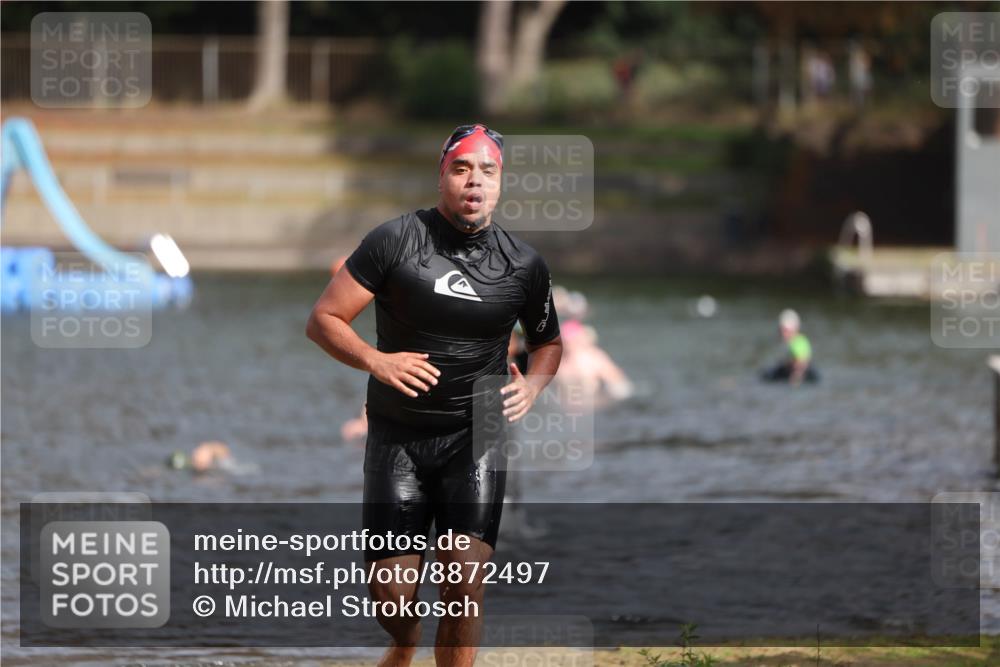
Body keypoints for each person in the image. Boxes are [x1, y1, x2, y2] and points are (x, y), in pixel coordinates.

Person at [306, 124, 562, 667]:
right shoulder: (395, 240)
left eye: (487, 171)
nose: (475, 181)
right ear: (441, 176)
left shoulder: (524, 264)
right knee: (393, 596)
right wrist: (376, 360)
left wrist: (534, 384)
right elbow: (324, 319)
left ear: (500, 183)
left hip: (481, 428)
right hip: (398, 431)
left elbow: (548, 343)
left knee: (464, 578)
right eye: (461, 169)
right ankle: (404, 643)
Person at [761, 309, 818, 385]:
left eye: (786, 330)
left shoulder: (798, 343)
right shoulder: (795, 341)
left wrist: (796, 376)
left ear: (795, 329)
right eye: (781, 330)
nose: (783, 333)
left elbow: (801, 362)